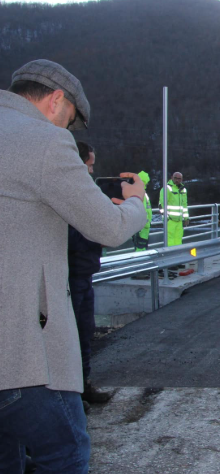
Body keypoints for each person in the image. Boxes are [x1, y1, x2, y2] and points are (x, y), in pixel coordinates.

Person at [0, 59, 147, 473]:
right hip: (22, 357)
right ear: (55, 99)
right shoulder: (45, 141)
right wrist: (138, 202)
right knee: (65, 454)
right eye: (67, 121)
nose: (65, 131)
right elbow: (110, 227)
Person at [67, 142, 114, 412]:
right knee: (69, 337)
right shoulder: (68, 194)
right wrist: (96, 233)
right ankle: (70, 396)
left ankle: (82, 386)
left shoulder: (84, 194)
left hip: (84, 273)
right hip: (70, 276)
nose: (92, 169)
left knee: (84, 333)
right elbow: (70, 237)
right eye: (90, 164)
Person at [159, 172, 189, 246]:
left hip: (179, 221)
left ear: (181, 179)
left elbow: (184, 205)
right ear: (172, 177)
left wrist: (186, 218)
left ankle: (178, 255)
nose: (177, 180)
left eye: (179, 179)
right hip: (170, 220)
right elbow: (161, 205)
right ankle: (170, 255)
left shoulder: (183, 190)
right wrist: (166, 218)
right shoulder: (167, 188)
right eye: (175, 178)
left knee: (178, 239)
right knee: (170, 240)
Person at [132, 171, 153, 251]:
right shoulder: (140, 193)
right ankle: (141, 262)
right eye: (147, 182)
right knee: (140, 247)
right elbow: (142, 209)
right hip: (142, 226)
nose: (147, 184)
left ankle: (141, 261)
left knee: (141, 246)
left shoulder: (141, 192)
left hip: (143, 225)